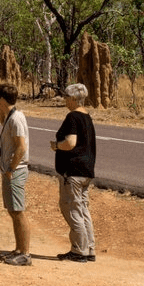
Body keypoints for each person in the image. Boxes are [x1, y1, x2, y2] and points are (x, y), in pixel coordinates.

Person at [50, 83, 97, 263]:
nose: (65, 101)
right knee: (83, 209)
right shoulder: (87, 117)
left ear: (72, 99)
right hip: (86, 171)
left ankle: (78, 250)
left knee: (71, 208)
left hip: (73, 171)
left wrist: (56, 146)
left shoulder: (73, 117)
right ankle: (89, 248)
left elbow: (70, 143)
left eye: (66, 97)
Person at [0, 82, 32, 266]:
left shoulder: (16, 119)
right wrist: (2, 107)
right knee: (12, 211)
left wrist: (10, 169)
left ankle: (25, 253)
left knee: (18, 212)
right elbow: (1, 120)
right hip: (10, 171)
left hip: (15, 171)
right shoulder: (10, 116)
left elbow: (21, 147)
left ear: (1, 99)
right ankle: (18, 249)